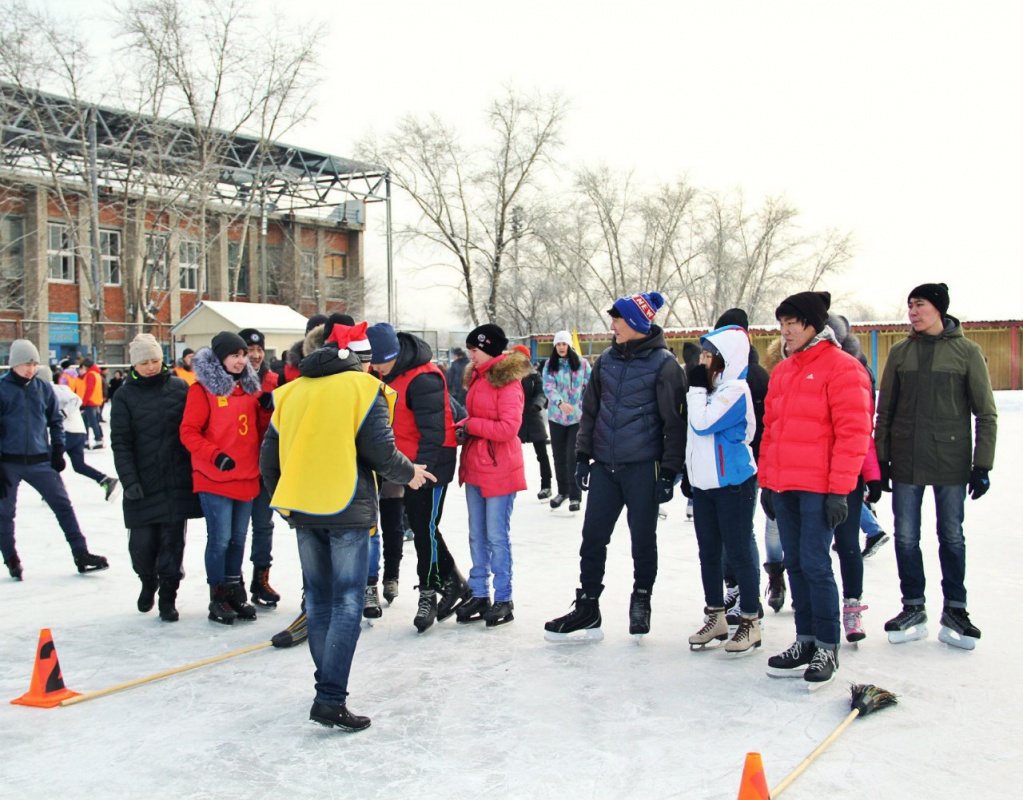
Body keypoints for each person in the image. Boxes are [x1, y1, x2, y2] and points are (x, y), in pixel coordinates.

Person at [260, 320, 433, 732]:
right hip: (347, 509)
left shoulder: (291, 392)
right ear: (362, 361)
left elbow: (269, 459)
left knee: (319, 601)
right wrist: (410, 473)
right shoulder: (364, 389)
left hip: (304, 510)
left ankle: (327, 687)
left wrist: (284, 501)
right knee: (347, 603)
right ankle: (330, 697)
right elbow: (381, 452)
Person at [544, 291, 686, 641]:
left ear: (635, 322)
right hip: (604, 467)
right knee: (592, 538)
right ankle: (588, 606)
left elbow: (675, 424)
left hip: (643, 468)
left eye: (617, 319)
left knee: (643, 539)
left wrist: (669, 471)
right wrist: (582, 457)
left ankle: (641, 598)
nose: (612, 326)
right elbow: (590, 412)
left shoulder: (665, 365)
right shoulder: (606, 360)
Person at [874, 283, 997, 650]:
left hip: (951, 460)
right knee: (905, 536)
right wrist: (881, 459)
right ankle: (913, 606)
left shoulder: (967, 352)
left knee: (952, 535)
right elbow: (885, 411)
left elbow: (986, 414)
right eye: (910, 305)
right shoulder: (900, 352)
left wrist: (982, 465)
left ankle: (956, 609)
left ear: (938, 309)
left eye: (920, 305)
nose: (912, 312)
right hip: (907, 458)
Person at [759, 291, 872, 686]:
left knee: (815, 564)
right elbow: (771, 431)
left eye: (792, 323)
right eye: (782, 324)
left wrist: (840, 490)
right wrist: (767, 483)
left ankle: (826, 644)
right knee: (795, 563)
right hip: (785, 485)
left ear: (812, 325)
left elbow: (854, 434)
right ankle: (804, 640)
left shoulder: (842, 368)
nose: (785, 331)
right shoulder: (783, 371)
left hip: (820, 487)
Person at [366, 322, 470, 632]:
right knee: (422, 525)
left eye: (380, 362)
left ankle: (429, 593)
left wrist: (417, 472)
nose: (375, 367)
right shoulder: (385, 374)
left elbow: (434, 432)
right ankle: (453, 581)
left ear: (394, 355)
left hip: (431, 463)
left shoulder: (423, 379)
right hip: (404, 462)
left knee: (424, 529)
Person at [111, 333, 202, 621]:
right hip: (142, 483)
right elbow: (120, 442)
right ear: (134, 365)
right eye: (144, 362)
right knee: (142, 547)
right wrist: (129, 481)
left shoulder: (179, 387)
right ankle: (148, 580)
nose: (150, 367)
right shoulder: (124, 396)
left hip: (176, 480)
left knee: (173, 545)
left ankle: (168, 597)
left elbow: (193, 428)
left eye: (155, 361)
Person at [1, 339, 108, 579]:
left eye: (34, 364)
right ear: (14, 364)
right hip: (8, 462)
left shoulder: (43, 388)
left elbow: (55, 420)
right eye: (26, 364)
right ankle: (11, 558)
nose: (31, 369)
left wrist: (58, 448)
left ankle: (81, 554)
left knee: (63, 506)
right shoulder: (2, 389)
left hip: (40, 461)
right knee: (4, 513)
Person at [684, 325, 760, 654]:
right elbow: (693, 437)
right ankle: (716, 615)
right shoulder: (710, 389)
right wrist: (688, 473)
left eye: (708, 355)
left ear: (725, 358)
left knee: (739, 552)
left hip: (733, 485)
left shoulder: (736, 390)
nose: (701, 361)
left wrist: (695, 389)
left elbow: (703, 424)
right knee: (709, 553)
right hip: (704, 485)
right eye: (701, 355)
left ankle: (750, 620)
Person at [179, 331, 263, 625]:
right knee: (221, 539)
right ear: (219, 358)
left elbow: (259, 430)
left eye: (243, 355)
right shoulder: (202, 390)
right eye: (234, 355)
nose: (241, 361)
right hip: (215, 477)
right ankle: (218, 595)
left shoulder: (250, 389)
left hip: (247, 475)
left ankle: (234, 590)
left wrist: (267, 409)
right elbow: (188, 432)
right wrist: (215, 455)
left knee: (238, 539)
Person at [454, 324, 530, 627]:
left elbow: (509, 428)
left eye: (475, 349)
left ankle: (503, 598)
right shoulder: (478, 377)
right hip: (475, 465)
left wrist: (471, 426)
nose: (471, 354)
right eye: (470, 349)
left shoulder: (507, 382)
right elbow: (476, 417)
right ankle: (479, 593)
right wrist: (462, 426)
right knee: (477, 535)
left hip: (500, 468)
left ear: (488, 349)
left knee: (496, 536)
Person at [238, 327, 282, 607]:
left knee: (264, 525)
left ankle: (261, 578)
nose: (255, 355)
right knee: (236, 531)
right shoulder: (231, 381)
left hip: (266, 467)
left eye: (259, 350)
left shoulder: (274, 380)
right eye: (249, 350)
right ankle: (233, 582)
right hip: (239, 469)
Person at [542, 330, 591, 512]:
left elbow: (590, 387)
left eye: (564, 344)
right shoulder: (550, 365)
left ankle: (575, 495)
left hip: (576, 418)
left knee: (573, 456)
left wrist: (582, 406)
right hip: (557, 417)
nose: (561, 347)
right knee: (559, 456)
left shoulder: (583, 364)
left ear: (569, 345)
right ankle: (562, 491)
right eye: (558, 344)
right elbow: (548, 386)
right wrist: (560, 403)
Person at [51, 375, 120, 501]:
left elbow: (76, 400)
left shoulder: (55, 389)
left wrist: (62, 414)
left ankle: (56, 489)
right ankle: (105, 480)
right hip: (77, 432)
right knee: (79, 465)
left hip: (69, 431)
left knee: (49, 458)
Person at [513, 344, 553, 501]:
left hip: (532, 415)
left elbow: (541, 392)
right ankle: (510, 484)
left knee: (542, 454)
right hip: (514, 418)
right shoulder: (508, 375)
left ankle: (546, 485)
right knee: (510, 454)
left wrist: (537, 404)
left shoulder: (534, 375)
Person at [80, 356, 105, 448]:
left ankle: (97, 440)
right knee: (88, 421)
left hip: (90, 402)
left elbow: (89, 390)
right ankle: (87, 440)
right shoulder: (96, 374)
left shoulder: (90, 374)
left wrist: (84, 402)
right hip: (95, 401)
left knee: (91, 422)